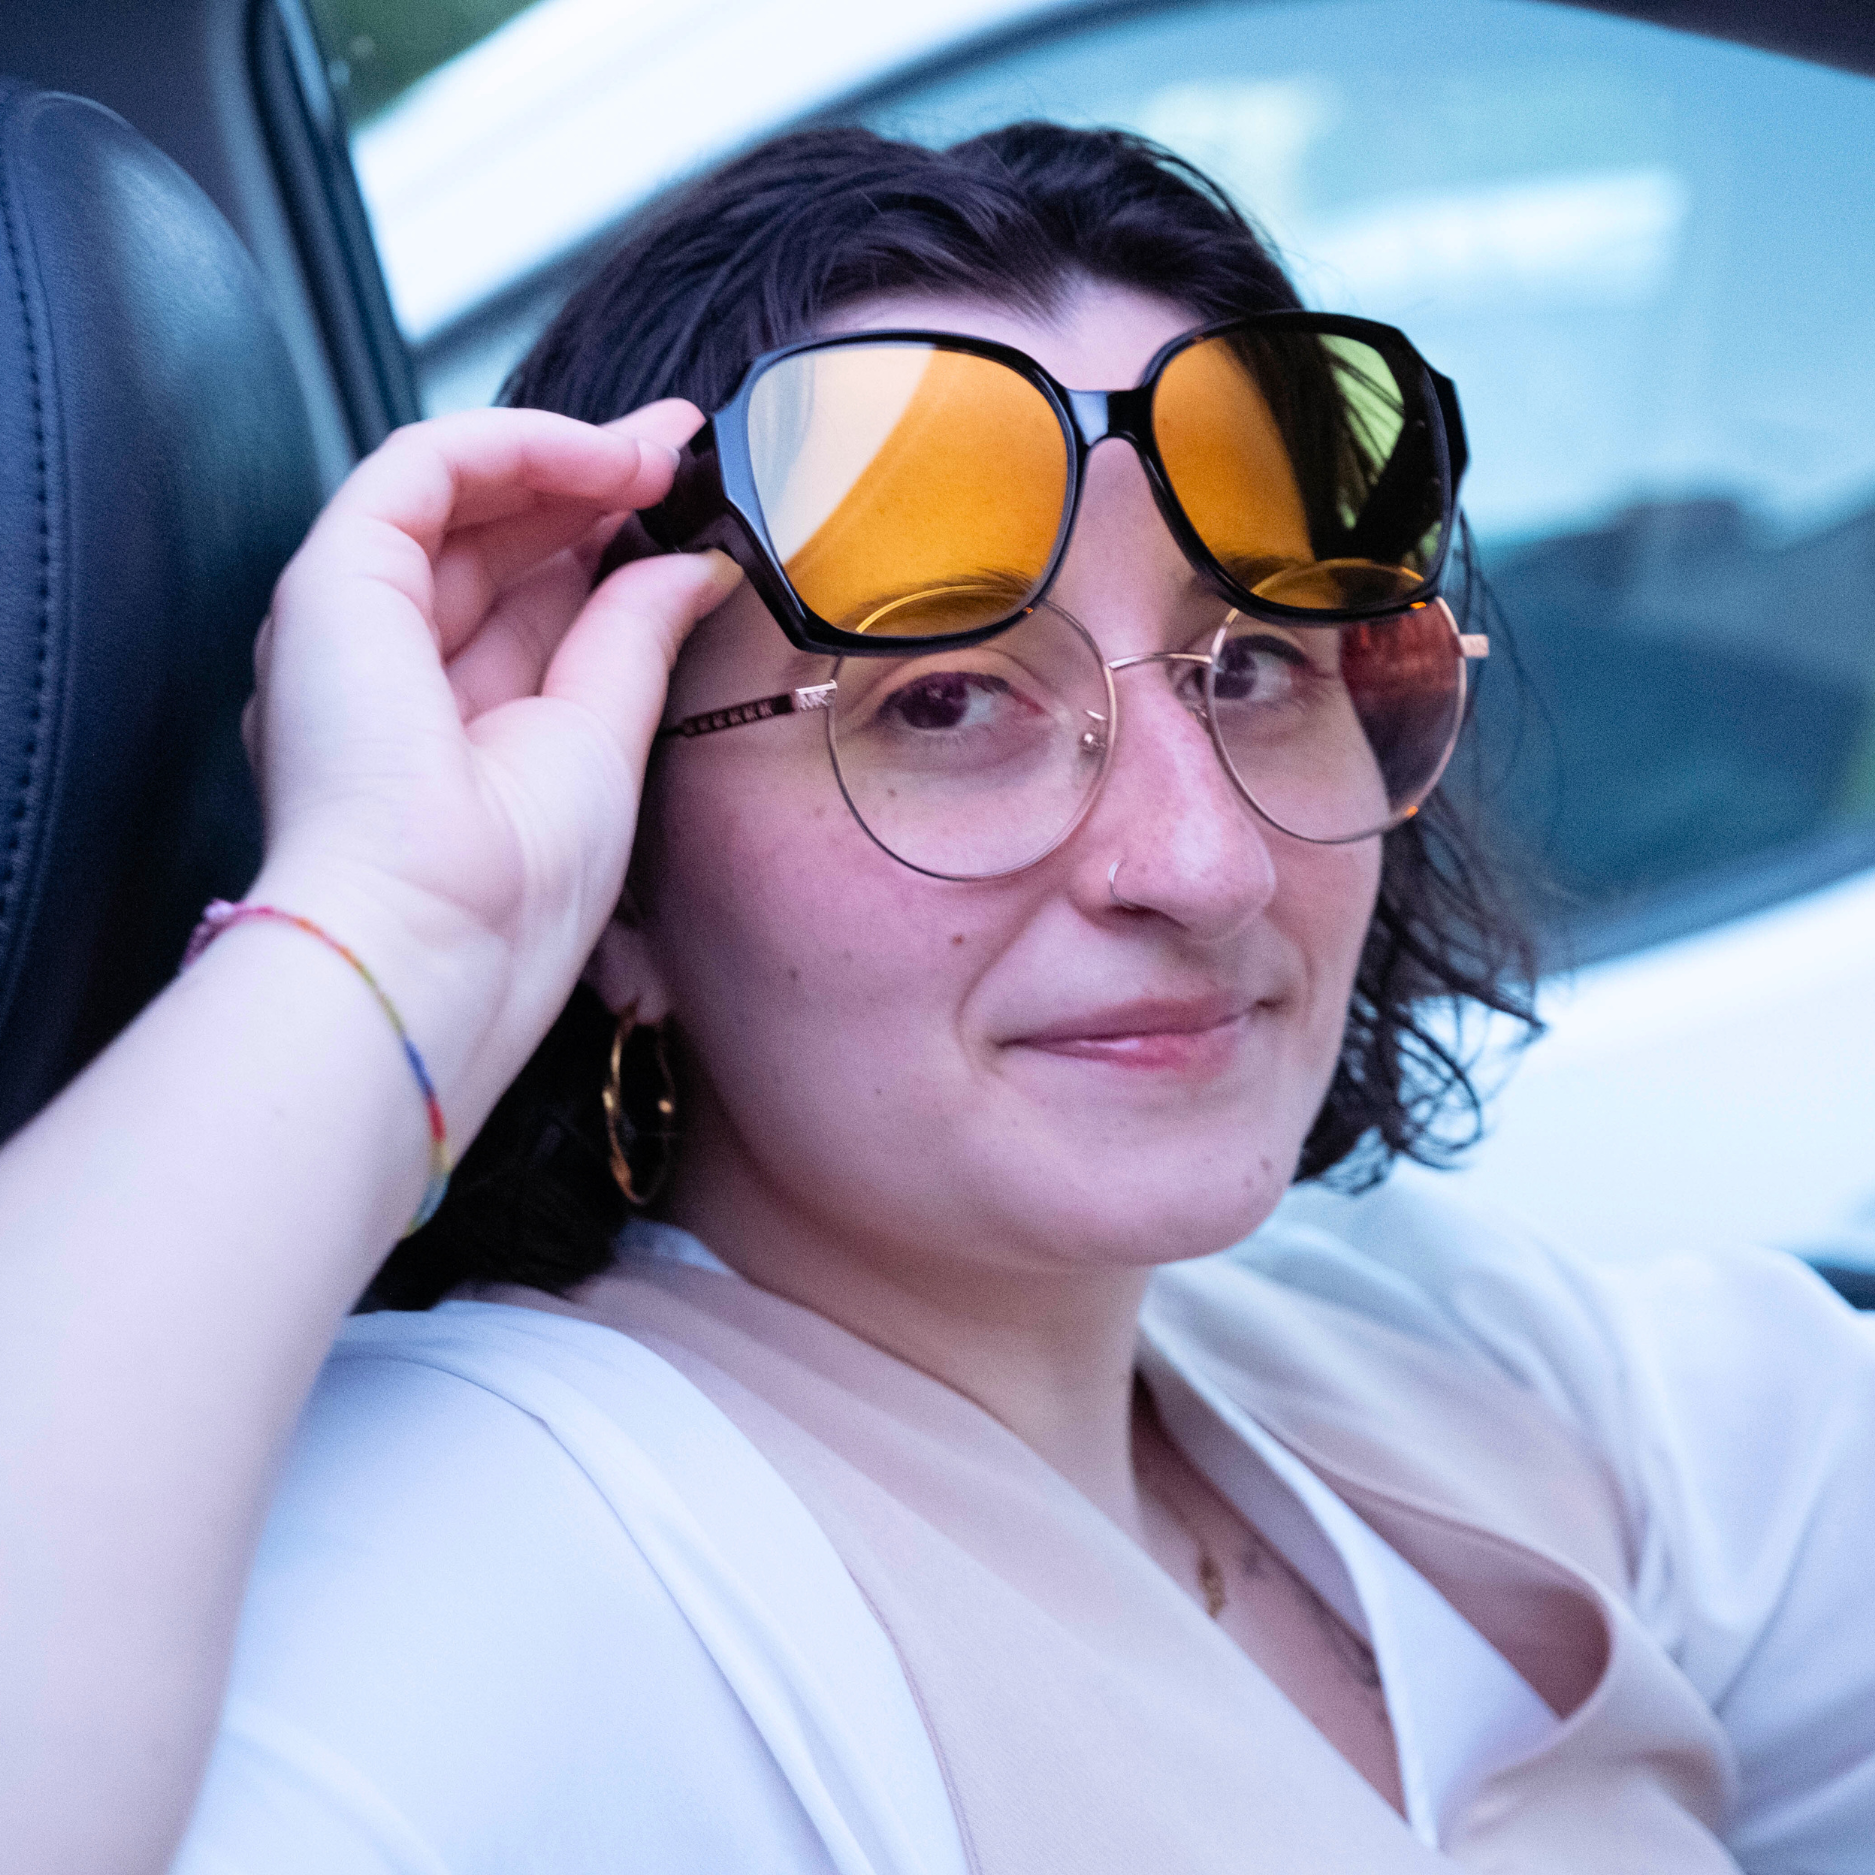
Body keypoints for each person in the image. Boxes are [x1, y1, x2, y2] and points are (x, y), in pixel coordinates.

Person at [2, 122, 1872, 1875]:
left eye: (1258, 666)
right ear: (624, 874)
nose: (1202, 861)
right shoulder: (525, 1539)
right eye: (946, 698)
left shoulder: (1432, 1341)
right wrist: (398, 923)